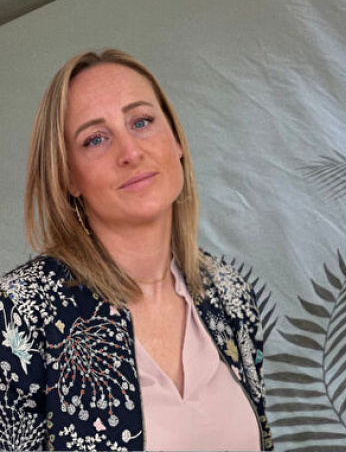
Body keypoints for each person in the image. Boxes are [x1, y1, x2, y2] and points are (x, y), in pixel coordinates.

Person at [0, 50, 272, 451]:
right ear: (68, 177)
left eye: (141, 121)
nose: (130, 152)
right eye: (95, 139)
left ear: (176, 140)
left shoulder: (230, 293)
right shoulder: (19, 312)